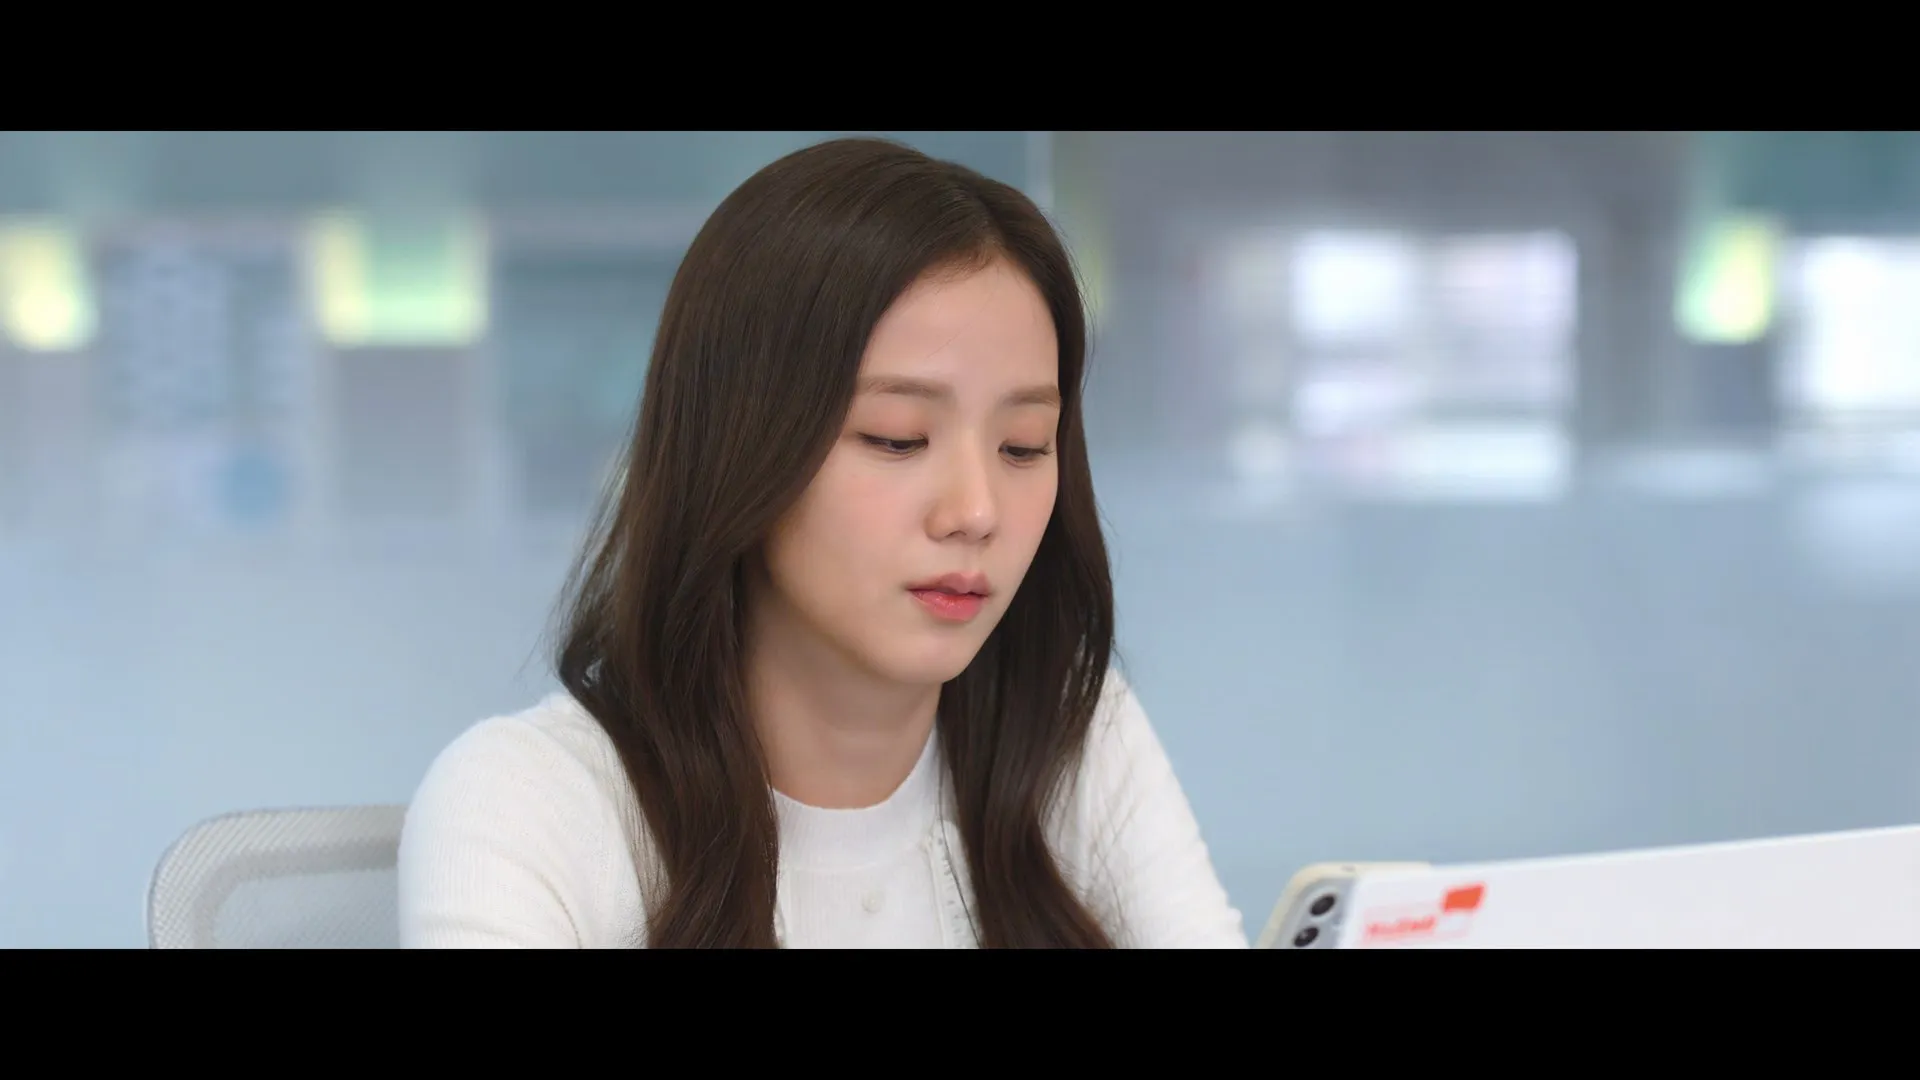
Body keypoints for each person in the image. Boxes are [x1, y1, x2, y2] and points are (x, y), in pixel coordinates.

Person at [397, 136, 1247, 948]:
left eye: (1023, 447)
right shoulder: (529, 801)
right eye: (897, 438)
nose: (976, 511)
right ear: (740, 449)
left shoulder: (1072, 738)